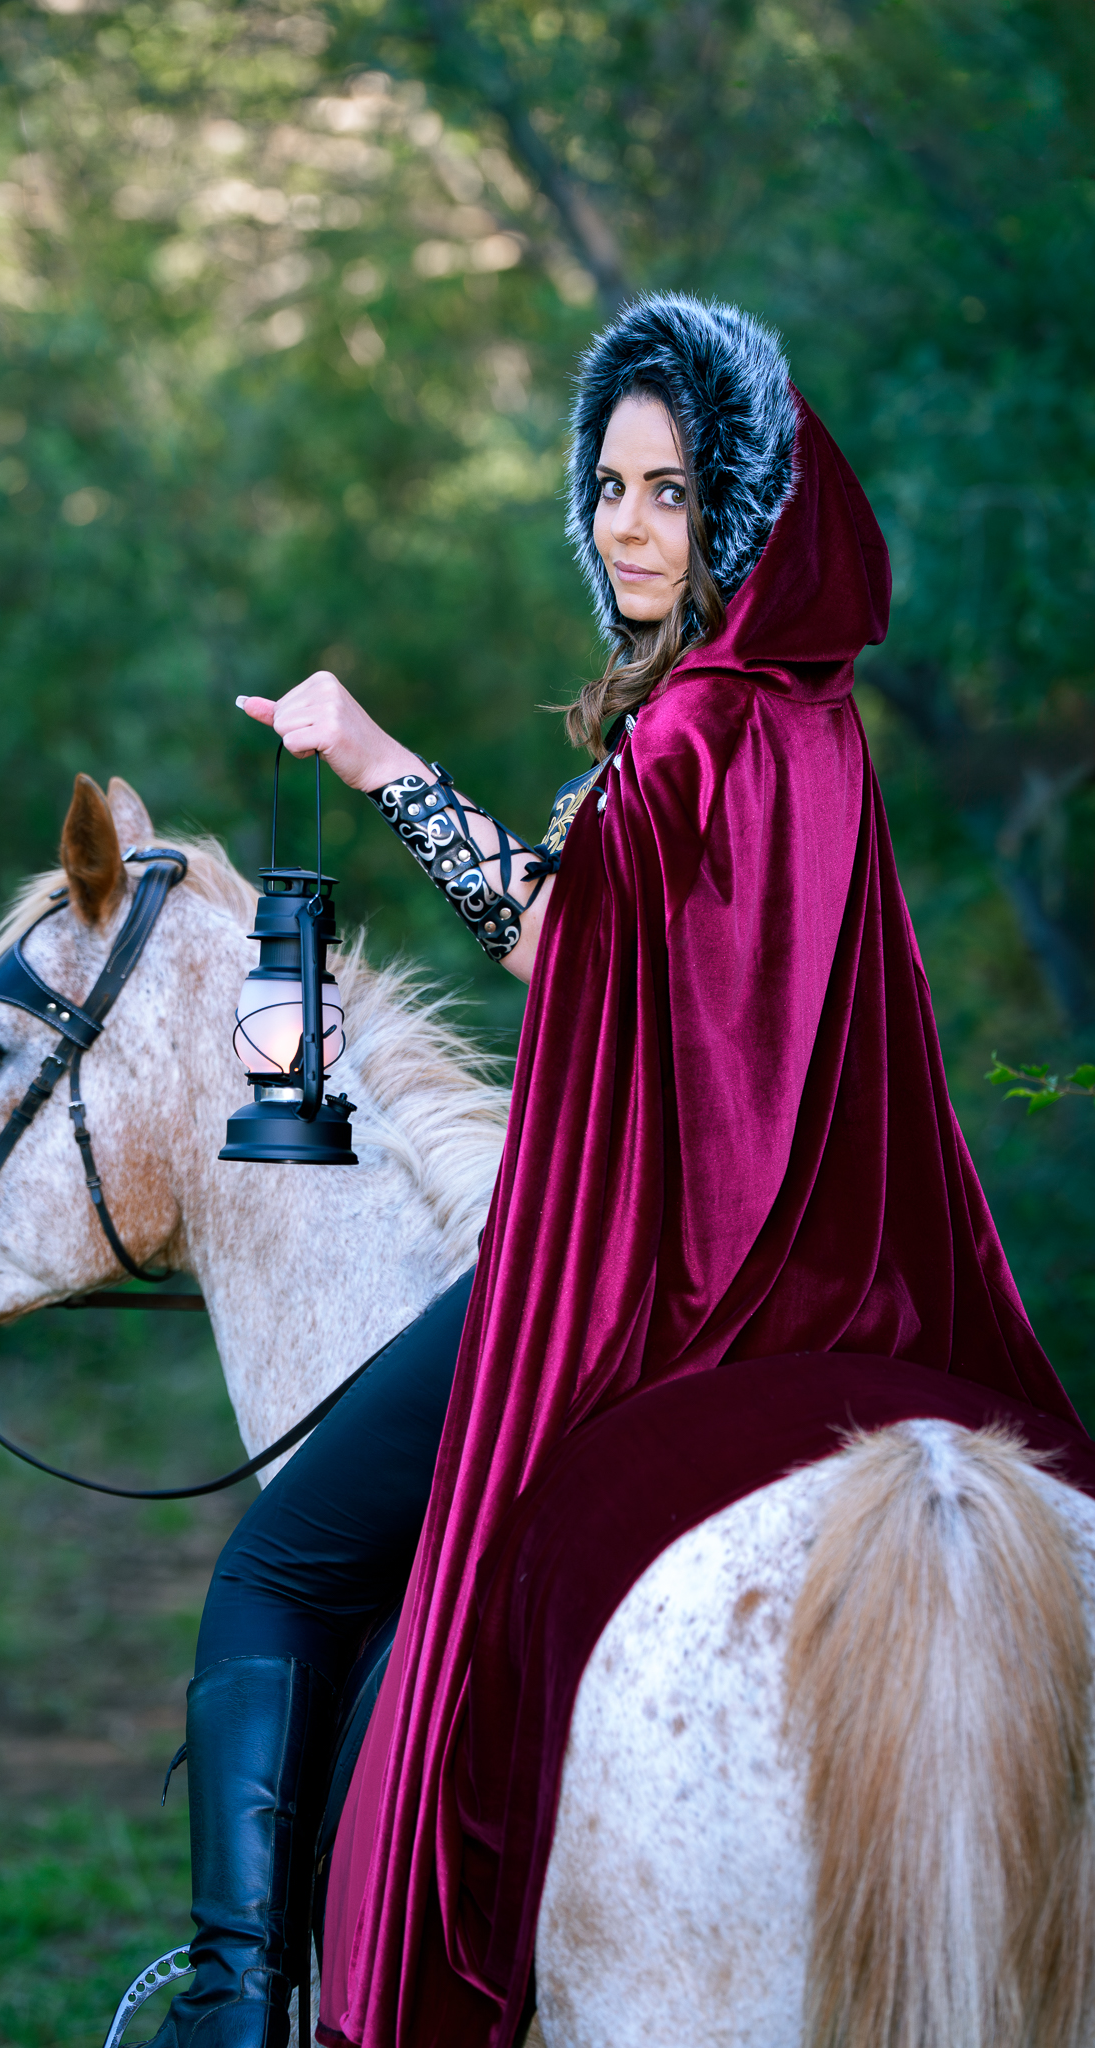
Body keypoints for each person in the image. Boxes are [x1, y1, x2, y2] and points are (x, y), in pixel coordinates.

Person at [141, 295, 1078, 2048]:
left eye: (669, 494)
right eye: (607, 488)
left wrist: (365, 753)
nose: (625, 527)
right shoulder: (802, 725)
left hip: (640, 1266)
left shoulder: (693, 730)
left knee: (278, 1562)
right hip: (814, 1268)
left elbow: (556, 948)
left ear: (740, 518)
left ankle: (229, 2010)